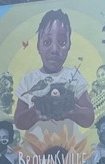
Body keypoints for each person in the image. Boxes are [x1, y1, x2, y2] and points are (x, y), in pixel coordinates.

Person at [14, 9, 95, 144]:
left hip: (69, 153)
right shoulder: (29, 79)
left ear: (69, 45)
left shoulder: (73, 77)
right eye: (47, 42)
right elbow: (19, 121)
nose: (54, 50)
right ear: (38, 45)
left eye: (62, 42)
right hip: (36, 154)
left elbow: (89, 118)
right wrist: (36, 112)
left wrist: (71, 110)